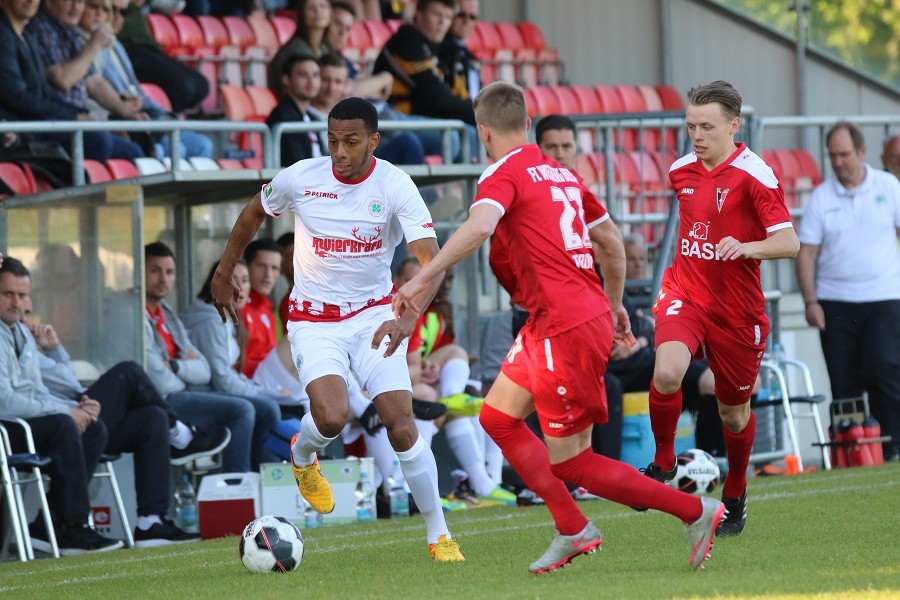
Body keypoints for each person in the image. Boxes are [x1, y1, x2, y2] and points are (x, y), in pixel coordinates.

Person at [394, 81, 725, 573]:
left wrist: (422, 276)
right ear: (527, 126)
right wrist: (613, 306)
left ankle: (695, 511)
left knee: (572, 462)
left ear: (484, 132)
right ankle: (572, 527)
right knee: (497, 418)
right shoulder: (561, 175)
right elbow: (610, 241)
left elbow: (482, 225)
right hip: (562, 317)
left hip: (562, 324)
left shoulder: (501, 173)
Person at [209, 97, 464, 561]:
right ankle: (303, 455)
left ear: (373, 140)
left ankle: (438, 534)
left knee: (402, 424)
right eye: (332, 141)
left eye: (350, 142)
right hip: (313, 319)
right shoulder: (302, 177)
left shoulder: (395, 184)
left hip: (371, 315)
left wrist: (408, 316)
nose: (340, 152)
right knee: (331, 416)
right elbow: (252, 213)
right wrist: (224, 272)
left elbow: (433, 260)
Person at [642, 81, 799, 537]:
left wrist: (746, 246)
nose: (696, 135)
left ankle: (735, 492)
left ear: (734, 124)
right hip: (685, 293)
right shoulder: (681, 170)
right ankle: (665, 459)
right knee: (667, 372)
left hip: (737, 311)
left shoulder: (757, 175)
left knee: (734, 414)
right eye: (690, 126)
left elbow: (788, 243)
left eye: (706, 126)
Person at [21, 296, 210, 547]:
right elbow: (57, 388)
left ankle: (150, 523)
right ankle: (181, 434)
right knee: (128, 372)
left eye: (28, 312)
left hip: (76, 415)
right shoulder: (15, 347)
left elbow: (71, 381)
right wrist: (70, 408)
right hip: (53, 423)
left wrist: (53, 347)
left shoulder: (27, 345)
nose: (25, 320)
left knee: (152, 419)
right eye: (18, 310)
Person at [0, 257, 123, 555]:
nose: (17, 302)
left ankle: (50, 524)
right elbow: (4, 401)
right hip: (7, 426)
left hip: (26, 422)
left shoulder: (18, 332)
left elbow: (41, 389)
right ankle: (74, 525)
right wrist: (65, 411)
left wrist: (78, 407)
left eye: (23, 294)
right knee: (64, 424)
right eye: (8, 294)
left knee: (93, 428)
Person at [103, 241, 258, 473]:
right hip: (159, 398)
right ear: (139, 273)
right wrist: (185, 374)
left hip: (178, 390)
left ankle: (251, 485)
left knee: (261, 408)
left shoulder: (167, 313)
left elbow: (204, 369)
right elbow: (156, 377)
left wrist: (175, 366)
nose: (163, 279)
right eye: (155, 271)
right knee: (242, 411)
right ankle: (235, 491)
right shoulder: (129, 312)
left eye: (169, 272)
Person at [796, 122, 900, 461]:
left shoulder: (888, 186)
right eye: (832, 156)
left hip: (883, 298)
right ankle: (851, 453)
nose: (839, 162)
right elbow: (806, 254)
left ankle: (891, 447)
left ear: (861, 152)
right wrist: (811, 301)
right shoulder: (821, 198)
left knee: (885, 371)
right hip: (835, 301)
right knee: (843, 381)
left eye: (844, 154)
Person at [0, 0, 144, 163]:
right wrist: (73, 116)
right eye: (69, 0)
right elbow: (18, 97)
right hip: (27, 126)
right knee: (100, 143)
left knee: (134, 147)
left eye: (80, 1)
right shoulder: (17, 32)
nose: (31, 0)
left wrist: (80, 114)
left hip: (42, 118)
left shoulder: (27, 34)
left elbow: (44, 92)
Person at [181, 260, 283, 469]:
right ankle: (240, 481)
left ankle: (264, 477)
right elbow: (222, 381)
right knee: (255, 409)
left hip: (212, 391)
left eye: (245, 281)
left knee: (276, 406)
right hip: (196, 393)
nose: (241, 288)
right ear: (217, 284)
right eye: (233, 281)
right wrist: (264, 392)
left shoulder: (228, 316)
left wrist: (264, 390)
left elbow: (229, 374)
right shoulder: (211, 320)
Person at [88, 0, 213, 159]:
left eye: (123, 13)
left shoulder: (116, 45)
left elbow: (137, 92)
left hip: (141, 116)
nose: (117, 18)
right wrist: (131, 110)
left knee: (202, 144)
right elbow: (99, 91)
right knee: (176, 149)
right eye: (113, 10)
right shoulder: (89, 47)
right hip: (121, 121)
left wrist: (165, 115)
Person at [372, 0, 476, 127]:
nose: (442, 22)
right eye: (437, 14)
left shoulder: (441, 46)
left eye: (448, 17)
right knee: (457, 135)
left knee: (471, 129)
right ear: (419, 16)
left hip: (421, 115)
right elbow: (435, 96)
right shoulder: (407, 41)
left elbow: (454, 91)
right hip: (394, 118)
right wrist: (478, 112)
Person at [310, 53, 426, 166]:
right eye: (326, 80)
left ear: (346, 85)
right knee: (408, 142)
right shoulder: (305, 114)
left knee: (408, 141)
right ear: (316, 79)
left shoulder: (349, 110)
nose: (331, 88)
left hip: (361, 164)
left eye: (338, 82)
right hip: (338, 171)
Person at [116, 0, 209, 113]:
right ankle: (159, 119)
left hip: (149, 48)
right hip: (127, 49)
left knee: (201, 85)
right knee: (184, 87)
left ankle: (166, 117)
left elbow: (177, 5)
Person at [267, 53, 328, 167]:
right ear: (286, 80)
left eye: (315, 75)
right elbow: (295, 163)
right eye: (303, 75)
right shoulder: (283, 117)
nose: (311, 81)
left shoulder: (313, 117)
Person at [268, 0, 331, 95]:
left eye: (323, 6)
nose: (318, 11)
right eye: (311, 8)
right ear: (301, 14)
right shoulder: (295, 50)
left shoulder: (323, 48)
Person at [240, 238, 283, 378]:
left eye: (274, 268)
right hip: (249, 384)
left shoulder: (267, 309)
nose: (268, 275)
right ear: (247, 266)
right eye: (261, 266)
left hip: (272, 381)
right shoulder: (237, 306)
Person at [437, 0, 480, 104]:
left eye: (472, 17)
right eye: (461, 15)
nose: (466, 21)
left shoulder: (470, 57)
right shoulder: (437, 49)